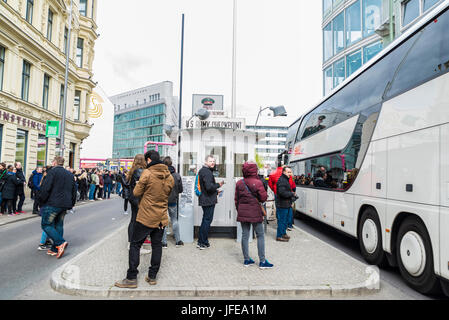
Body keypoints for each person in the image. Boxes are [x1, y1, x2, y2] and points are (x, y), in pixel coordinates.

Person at [115, 150, 174, 288]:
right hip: (161, 217)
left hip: (146, 216)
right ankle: (152, 276)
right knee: (157, 245)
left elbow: (136, 192)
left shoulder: (147, 173)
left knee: (135, 245)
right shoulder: (169, 176)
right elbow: (168, 193)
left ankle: (131, 278)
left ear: (148, 160)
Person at [235, 161, 273, 269]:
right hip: (255, 212)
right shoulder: (258, 182)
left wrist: (240, 210)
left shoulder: (239, 183)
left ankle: (247, 260)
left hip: (243, 212)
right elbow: (263, 198)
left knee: (245, 235)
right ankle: (262, 261)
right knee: (260, 235)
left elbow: (236, 200)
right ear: (254, 170)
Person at [38, 156, 76, 258]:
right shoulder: (69, 174)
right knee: (58, 225)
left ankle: (60, 243)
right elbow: (74, 190)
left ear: (54, 162)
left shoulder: (52, 172)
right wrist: (71, 203)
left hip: (53, 203)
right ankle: (55, 248)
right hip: (65, 204)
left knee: (46, 224)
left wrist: (41, 201)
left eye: (52, 161)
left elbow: (46, 188)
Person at [197, 155, 224, 250]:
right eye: (210, 161)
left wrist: (216, 192)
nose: (212, 162)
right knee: (207, 221)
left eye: (213, 161)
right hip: (208, 200)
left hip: (205, 199)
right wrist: (218, 185)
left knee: (205, 220)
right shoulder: (207, 172)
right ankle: (202, 242)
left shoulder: (203, 171)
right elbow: (208, 187)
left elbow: (205, 188)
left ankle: (202, 241)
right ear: (205, 162)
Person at [161, 156, 184, 248]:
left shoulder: (161, 175)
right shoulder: (177, 175)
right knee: (174, 219)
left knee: (163, 221)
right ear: (171, 163)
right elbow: (181, 189)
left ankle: (164, 242)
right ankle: (178, 240)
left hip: (162, 201)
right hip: (173, 201)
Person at [123, 154, 146, 243]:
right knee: (138, 221)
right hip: (138, 198)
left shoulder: (132, 170)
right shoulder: (141, 171)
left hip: (132, 198)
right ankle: (135, 243)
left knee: (133, 219)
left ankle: (131, 241)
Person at [268, 162, 296, 231]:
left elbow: (270, 183)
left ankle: (280, 224)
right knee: (289, 209)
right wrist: (292, 191)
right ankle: (289, 225)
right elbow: (292, 183)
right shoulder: (288, 173)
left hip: (277, 192)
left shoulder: (273, 172)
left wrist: (274, 190)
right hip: (288, 192)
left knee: (279, 208)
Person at [275, 166, 297, 242]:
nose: (290, 173)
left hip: (286, 204)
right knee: (282, 221)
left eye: (290, 172)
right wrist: (291, 194)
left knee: (285, 221)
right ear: (284, 172)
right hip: (282, 204)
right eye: (288, 172)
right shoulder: (282, 180)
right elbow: (282, 193)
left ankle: (283, 233)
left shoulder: (285, 180)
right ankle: (279, 236)